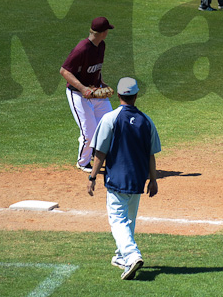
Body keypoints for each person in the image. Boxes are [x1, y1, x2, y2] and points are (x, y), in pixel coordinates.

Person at [87, 77, 161, 281]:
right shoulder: (146, 121)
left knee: (118, 220)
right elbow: (151, 154)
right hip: (137, 180)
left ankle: (132, 255)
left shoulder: (110, 118)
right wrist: (153, 180)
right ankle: (121, 256)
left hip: (117, 180)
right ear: (136, 96)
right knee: (129, 219)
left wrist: (92, 176)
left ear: (118, 95)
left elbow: (100, 152)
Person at [60, 16, 115, 173]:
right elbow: (64, 71)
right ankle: (83, 162)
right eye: (107, 31)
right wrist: (83, 88)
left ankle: (98, 154)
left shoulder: (101, 45)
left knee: (110, 125)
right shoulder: (82, 49)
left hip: (96, 93)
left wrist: (101, 82)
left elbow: (97, 68)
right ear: (103, 32)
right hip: (78, 94)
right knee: (89, 132)